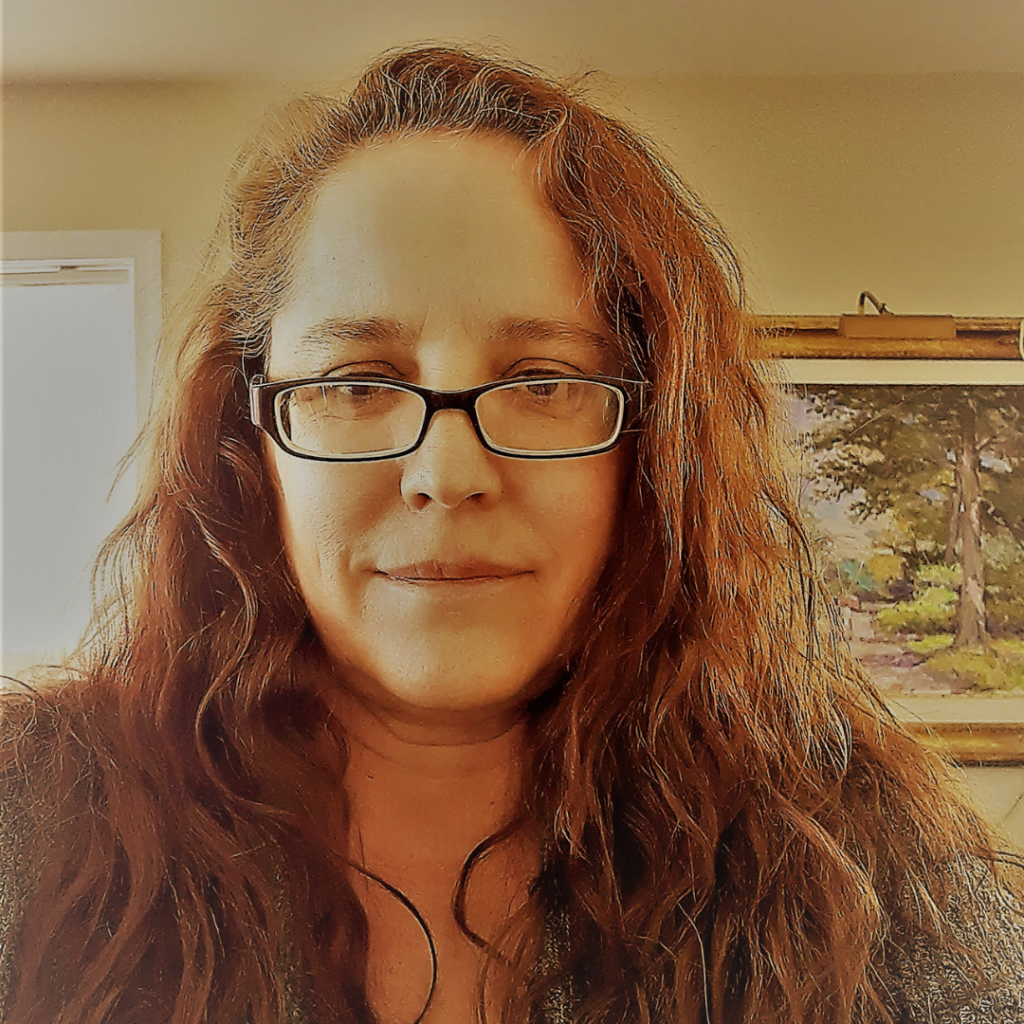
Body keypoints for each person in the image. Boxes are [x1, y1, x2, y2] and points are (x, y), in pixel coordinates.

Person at [1, 45, 1022, 1024]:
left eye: (542, 382)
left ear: (653, 446)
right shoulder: (28, 821)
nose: (446, 474)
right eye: (356, 383)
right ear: (249, 437)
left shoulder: (869, 871)